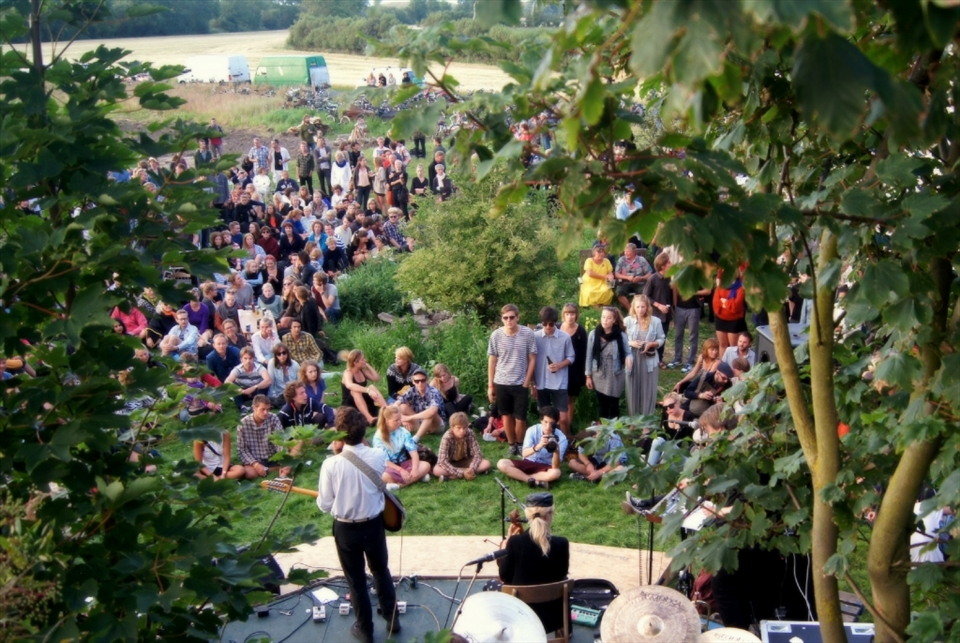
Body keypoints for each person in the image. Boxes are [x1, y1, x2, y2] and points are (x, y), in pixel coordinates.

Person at [317, 407, 401, 643]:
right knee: (381, 571)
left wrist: (337, 452)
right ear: (364, 430)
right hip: (373, 524)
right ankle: (392, 618)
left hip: (346, 528)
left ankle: (365, 630)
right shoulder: (377, 456)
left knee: (355, 581)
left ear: (339, 435)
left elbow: (324, 504)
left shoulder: (330, 465)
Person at [498, 492, 570, 636]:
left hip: (521, 616)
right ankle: (565, 632)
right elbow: (562, 574)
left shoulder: (515, 543)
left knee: (490, 587)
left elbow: (504, 577)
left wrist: (506, 548)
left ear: (528, 515)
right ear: (549, 514)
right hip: (552, 618)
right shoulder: (562, 543)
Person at [488, 303, 537, 457]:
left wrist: (527, 382)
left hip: (520, 382)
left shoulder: (528, 333)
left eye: (512, 317)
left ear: (517, 317)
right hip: (501, 382)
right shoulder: (496, 335)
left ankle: (521, 444)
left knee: (520, 418)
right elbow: (492, 361)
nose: (509, 320)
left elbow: (533, 359)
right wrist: (490, 385)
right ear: (502, 319)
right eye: (505, 318)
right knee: (506, 416)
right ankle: (511, 444)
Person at [496, 406, 567, 490]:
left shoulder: (562, 438)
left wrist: (556, 451)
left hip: (545, 466)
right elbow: (524, 453)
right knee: (502, 463)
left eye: (551, 423)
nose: (548, 427)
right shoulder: (532, 430)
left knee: (556, 473)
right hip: (529, 461)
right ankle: (533, 480)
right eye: (545, 422)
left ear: (557, 423)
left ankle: (519, 476)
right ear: (541, 420)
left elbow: (556, 466)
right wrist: (538, 446)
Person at [532, 306, 576, 437]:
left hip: (559, 382)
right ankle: (547, 441)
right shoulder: (535, 337)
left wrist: (560, 365)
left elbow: (571, 357)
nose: (547, 327)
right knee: (545, 420)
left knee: (562, 418)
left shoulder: (565, 337)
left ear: (555, 322)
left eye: (550, 324)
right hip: (541, 382)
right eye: (544, 324)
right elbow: (531, 361)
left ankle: (567, 440)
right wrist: (532, 385)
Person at [585, 307, 630, 420]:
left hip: (616, 373)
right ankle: (603, 431)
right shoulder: (593, 334)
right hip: (599, 372)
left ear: (614, 320)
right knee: (602, 403)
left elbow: (628, 353)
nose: (605, 320)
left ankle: (614, 431)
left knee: (614, 403)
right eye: (603, 317)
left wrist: (629, 359)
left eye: (608, 318)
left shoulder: (621, 335)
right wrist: (588, 376)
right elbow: (589, 356)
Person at [624, 295, 665, 417]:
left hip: (649, 358)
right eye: (638, 307)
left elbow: (662, 338)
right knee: (632, 388)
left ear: (647, 307)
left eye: (643, 307)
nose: (640, 309)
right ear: (633, 307)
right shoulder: (627, 321)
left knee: (649, 389)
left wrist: (651, 344)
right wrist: (631, 343)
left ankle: (646, 422)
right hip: (632, 357)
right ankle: (633, 420)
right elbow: (620, 340)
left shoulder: (655, 321)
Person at [372, 405, 431, 488]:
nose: (400, 422)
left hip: (405, 463)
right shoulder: (378, 437)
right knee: (384, 476)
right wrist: (401, 470)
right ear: (387, 421)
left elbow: (413, 452)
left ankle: (399, 485)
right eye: (396, 420)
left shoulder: (403, 432)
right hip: (390, 467)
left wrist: (414, 469)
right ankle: (418, 477)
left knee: (426, 465)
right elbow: (385, 461)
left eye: (400, 419)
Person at [236, 394, 291, 479]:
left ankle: (271, 469)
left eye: (268, 409)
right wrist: (255, 464)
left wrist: (284, 459)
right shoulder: (243, 424)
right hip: (255, 460)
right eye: (263, 409)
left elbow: (280, 441)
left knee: (291, 457)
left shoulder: (273, 418)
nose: (266, 412)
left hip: (273, 457)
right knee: (249, 474)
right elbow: (242, 450)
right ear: (254, 408)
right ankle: (274, 469)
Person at [433, 412, 491, 482]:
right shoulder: (447, 437)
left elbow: (477, 454)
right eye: (458, 428)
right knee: (436, 470)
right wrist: (463, 472)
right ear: (452, 427)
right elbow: (442, 461)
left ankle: (450, 477)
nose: (462, 431)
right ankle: (467, 473)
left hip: (465, 460)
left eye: (464, 427)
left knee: (486, 464)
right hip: (451, 462)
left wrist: (472, 468)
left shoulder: (470, 433)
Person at [645, 391, 697, 466]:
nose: (668, 409)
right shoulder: (666, 414)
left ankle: (654, 469)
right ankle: (649, 469)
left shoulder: (687, 416)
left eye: (671, 406)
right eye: (665, 407)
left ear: (678, 403)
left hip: (677, 452)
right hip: (666, 447)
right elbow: (661, 432)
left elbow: (691, 441)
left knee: (667, 449)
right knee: (658, 440)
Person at [669, 279, 710, 371]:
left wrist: (693, 292)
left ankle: (690, 361)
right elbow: (675, 288)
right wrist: (674, 305)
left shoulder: (698, 275)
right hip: (679, 308)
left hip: (693, 308)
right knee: (678, 335)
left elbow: (708, 291)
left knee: (693, 336)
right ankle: (677, 359)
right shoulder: (680, 273)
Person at [559, 303, 588, 429]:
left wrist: (585, 374)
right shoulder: (557, 327)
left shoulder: (581, 330)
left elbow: (585, 352)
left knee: (569, 399)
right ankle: (558, 424)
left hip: (575, 370)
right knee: (559, 398)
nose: (570, 317)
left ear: (576, 315)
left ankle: (568, 426)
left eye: (572, 314)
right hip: (559, 367)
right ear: (563, 315)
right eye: (567, 314)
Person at [398, 368, 446, 441]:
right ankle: (416, 429)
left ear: (427, 380)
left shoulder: (433, 392)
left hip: (436, 425)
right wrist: (402, 419)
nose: (420, 383)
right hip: (420, 421)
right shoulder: (411, 390)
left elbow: (433, 411)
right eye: (417, 381)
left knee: (430, 413)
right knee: (402, 406)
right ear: (413, 382)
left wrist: (409, 418)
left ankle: (415, 439)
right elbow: (397, 404)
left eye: (422, 380)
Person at [341, 349, 387, 425]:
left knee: (372, 386)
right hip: (350, 403)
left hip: (362, 401)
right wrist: (368, 390)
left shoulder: (361, 370)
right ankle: (369, 418)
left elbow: (376, 378)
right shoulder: (347, 372)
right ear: (355, 363)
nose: (365, 360)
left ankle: (387, 410)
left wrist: (367, 365)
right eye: (362, 359)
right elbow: (349, 385)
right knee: (355, 391)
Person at [643, 252, 673, 365]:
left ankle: (659, 359)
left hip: (666, 314)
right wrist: (658, 305)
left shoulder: (669, 278)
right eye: (669, 262)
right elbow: (646, 296)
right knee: (652, 336)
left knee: (662, 337)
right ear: (662, 265)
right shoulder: (653, 279)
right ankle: (649, 357)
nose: (671, 264)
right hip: (654, 313)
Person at [713, 269, 747, 352]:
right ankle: (722, 364)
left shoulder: (740, 288)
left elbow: (736, 306)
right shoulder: (720, 286)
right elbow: (715, 302)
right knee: (722, 344)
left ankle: (733, 365)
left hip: (734, 321)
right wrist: (729, 303)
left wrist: (724, 303)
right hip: (720, 319)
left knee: (733, 347)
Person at [614, 243, 652, 310]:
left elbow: (650, 273)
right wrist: (627, 277)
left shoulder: (641, 260)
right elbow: (616, 274)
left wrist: (641, 278)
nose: (626, 253)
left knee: (645, 291)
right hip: (625, 283)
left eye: (628, 251)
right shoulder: (621, 260)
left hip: (640, 283)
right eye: (625, 251)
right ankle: (631, 310)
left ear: (634, 252)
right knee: (619, 292)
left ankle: (641, 309)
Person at [267, 343, 300, 408]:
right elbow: (271, 381)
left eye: (284, 353)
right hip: (280, 393)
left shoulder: (295, 365)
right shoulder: (272, 363)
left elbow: (300, 382)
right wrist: (270, 397)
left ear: (287, 353)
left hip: (293, 392)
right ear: (275, 355)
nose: (282, 355)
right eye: (279, 354)